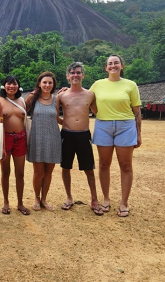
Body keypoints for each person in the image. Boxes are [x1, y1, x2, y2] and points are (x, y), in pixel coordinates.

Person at [89, 54, 142, 217]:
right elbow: (87, 100)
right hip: (103, 125)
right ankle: (106, 199)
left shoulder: (130, 85)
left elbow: (137, 111)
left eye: (116, 63)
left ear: (122, 66)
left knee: (125, 165)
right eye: (110, 63)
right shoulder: (97, 85)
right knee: (104, 164)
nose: (113, 65)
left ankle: (124, 202)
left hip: (125, 125)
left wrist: (138, 134)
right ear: (106, 68)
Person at [58, 62, 103, 216]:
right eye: (72, 72)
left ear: (83, 75)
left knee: (89, 168)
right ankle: (69, 198)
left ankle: (94, 199)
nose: (75, 75)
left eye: (78, 72)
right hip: (67, 134)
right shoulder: (62, 95)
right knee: (65, 167)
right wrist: (64, 122)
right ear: (67, 76)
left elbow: (99, 113)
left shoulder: (90, 95)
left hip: (83, 135)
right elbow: (53, 113)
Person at [25, 72, 61, 211]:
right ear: (39, 83)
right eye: (44, 82)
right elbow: (22, 113)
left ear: (53, 85)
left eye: (50, 83)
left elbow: (57, 118)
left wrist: (75, 124)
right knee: (38, 172)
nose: (47, 85)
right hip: (37, 137)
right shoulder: (32, 98)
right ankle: (36, 198)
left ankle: (44, 199)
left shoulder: (56, 99)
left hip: (53, 137)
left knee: (48, 172)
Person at [0, 75, 30, 215]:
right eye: (8, 84)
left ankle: (20, 202)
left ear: (18, 86)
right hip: (5, 139)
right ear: (4, 86)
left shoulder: (22, 101)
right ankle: (6, 202)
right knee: (5, 172)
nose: (11, 86)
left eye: (14, 84)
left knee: (20, 172)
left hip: (20, 138)